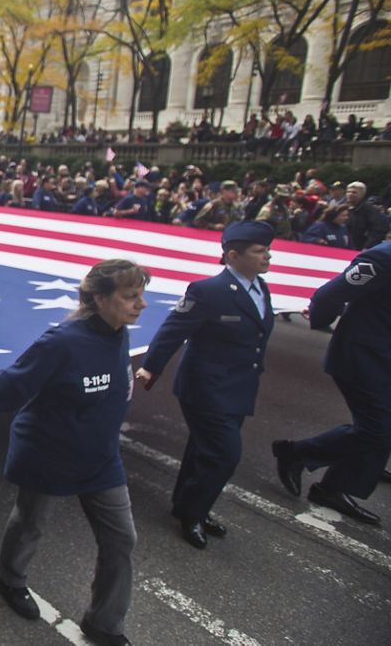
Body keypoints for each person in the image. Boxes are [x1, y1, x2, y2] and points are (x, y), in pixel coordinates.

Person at [0, 260, 149, 646]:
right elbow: (14, 383)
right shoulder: (63, 342)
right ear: (100, 298)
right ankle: (10, 580)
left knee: (122, 539)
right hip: (51, 451)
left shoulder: (119, 334)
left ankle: (104, 623)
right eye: (130, 296)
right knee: (31, 522)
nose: (142, 304)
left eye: (141, 295)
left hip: (101, 458)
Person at [137, 221, 276, 549]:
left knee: (203, 449)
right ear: (233, 255)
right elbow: (173, 329)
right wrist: (151, 369)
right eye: (259, 251)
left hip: (239, 387)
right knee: (225, 455)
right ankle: (193, 515)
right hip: (206, 389)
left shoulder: (261, 288)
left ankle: (185, 504)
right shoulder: (208, 291)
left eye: (268, 250)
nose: (268, 256)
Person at [272, 237, 391, 525]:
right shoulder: (384, 258)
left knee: (380, 427)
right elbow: (329, 295)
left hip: (383, 353)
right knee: (377, 428)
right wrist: (320, 316)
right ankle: (295, 453)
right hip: (361, 353)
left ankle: (335, 486)